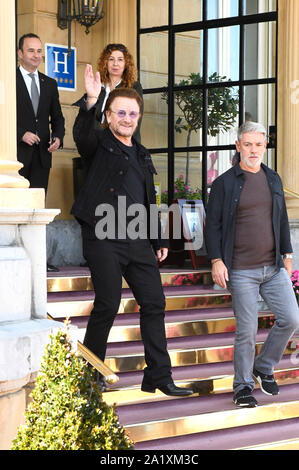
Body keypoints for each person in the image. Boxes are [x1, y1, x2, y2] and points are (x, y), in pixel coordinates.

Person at [71, 64, 193, 397]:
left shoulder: (141, 153)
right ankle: (91, 375)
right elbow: (82, 136)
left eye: (133, 114)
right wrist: (92, 100)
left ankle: (158, 376)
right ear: (109, 116)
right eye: (121, 112)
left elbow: (149, 199)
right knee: (107, 304)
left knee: (154, 303)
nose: (127, 118)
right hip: (103, 237)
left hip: (138, 238)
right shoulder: (97, 143)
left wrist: (159, 239)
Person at [205, 121, 299, 408]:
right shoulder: (224, 183)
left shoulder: (272, 179)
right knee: (246, 329)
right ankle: (243, 386)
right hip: (241, 270)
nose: (254, 149)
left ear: (264, 146)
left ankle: (264, 366)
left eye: (259, 144)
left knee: (292, 318)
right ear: (238, 146)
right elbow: (213, 226)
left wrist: (287, 256)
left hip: (272, 268)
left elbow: (281, 220)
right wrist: (216, 260)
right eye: (248, 144)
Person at [17, 33, 65, 272]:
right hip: (15, 157)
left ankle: (37, 258)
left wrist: (58, 137)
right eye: (31, 51)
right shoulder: (8, 78)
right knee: (16, 208)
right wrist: (20, 134)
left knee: (38, 210)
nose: (36, 55)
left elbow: (58, 117)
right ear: (20, 53)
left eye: (39, 51)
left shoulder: (49, 83)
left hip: (42, 156)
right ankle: (15, 257)